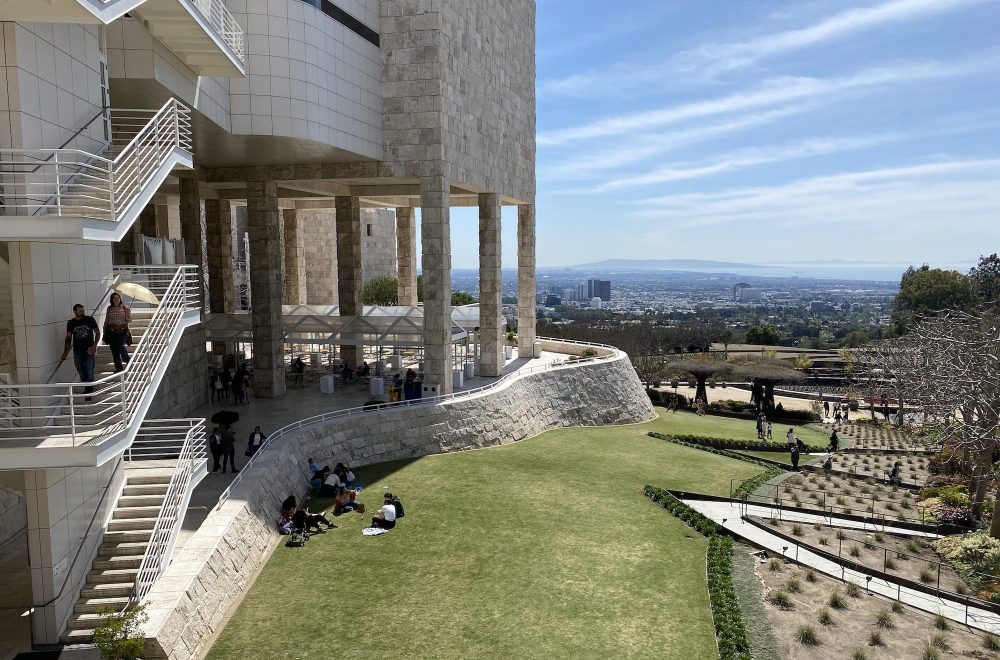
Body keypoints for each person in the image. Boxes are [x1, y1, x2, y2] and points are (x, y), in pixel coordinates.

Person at [61, 303, 100, 401]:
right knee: (79, 368)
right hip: (77, 350)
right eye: (80, 311)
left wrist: (94, 344)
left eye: (83, 311)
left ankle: (89, 392)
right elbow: (68, 337)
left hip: (89, 349)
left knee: (89, 370)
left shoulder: (90, 320)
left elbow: (98, 332)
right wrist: (65, 352)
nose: (82, 313)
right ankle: (87, 385)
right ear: (75, 312)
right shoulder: (71, 323)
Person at [103, 292, 131, 373]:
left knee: (119, 345)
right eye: (114, 298)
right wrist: (105, 330)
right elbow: (107, 320)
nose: (116, 300)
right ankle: (119, 368)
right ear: (111, 299)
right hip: (112, 331)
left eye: (118, 298)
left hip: (123, 330)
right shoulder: (109, 308)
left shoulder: (125, 308)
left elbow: (129, 320)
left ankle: (127, 359)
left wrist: (128, 315)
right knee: (114, 350)